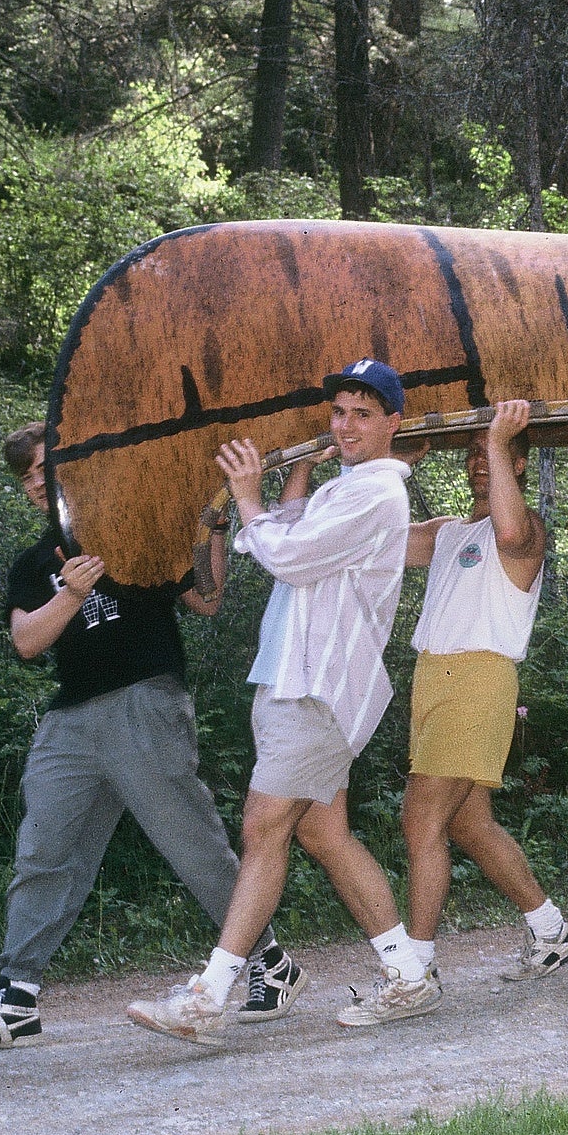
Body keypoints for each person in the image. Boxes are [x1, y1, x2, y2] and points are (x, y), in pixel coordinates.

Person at [0, 424, 301, 1052]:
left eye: (45, 468)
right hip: (70, 722)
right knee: (43, 854)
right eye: (27, 476)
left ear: (75, 466)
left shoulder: (136, 526)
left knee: (192, 846)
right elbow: (27, 641)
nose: (37, 482)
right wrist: (73, 594)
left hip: (144, 703)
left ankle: (268, 962)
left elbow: (207, 601)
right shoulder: (32, 563)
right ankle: (15, 999)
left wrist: (211, 527)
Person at [127, 359, 430, 1045]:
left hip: (316, 689)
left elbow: (287, 556)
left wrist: (245, 494)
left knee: (264, 826)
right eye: (339, 413)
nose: (346, 426)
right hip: (297, 681)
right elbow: (298, 532)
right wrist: (295, 472)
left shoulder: (377, 493)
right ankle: (408, 974)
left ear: (393, 423)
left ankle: (208, 996)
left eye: (362, 413)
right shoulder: (347, 487)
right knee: (323, 834)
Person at [399, 399, 568, 982]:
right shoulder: (451, 532)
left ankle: (414, 971)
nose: (480, 462)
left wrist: (502, 440)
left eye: (494, 455)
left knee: (420, 822)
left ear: (519, 464)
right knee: (468, 824)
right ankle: (551, 930)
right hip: (434, 679)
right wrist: (390, 465)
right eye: (474, 455)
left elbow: (510, 527)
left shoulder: (526, 532)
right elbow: (376, 542)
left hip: (476, 680)